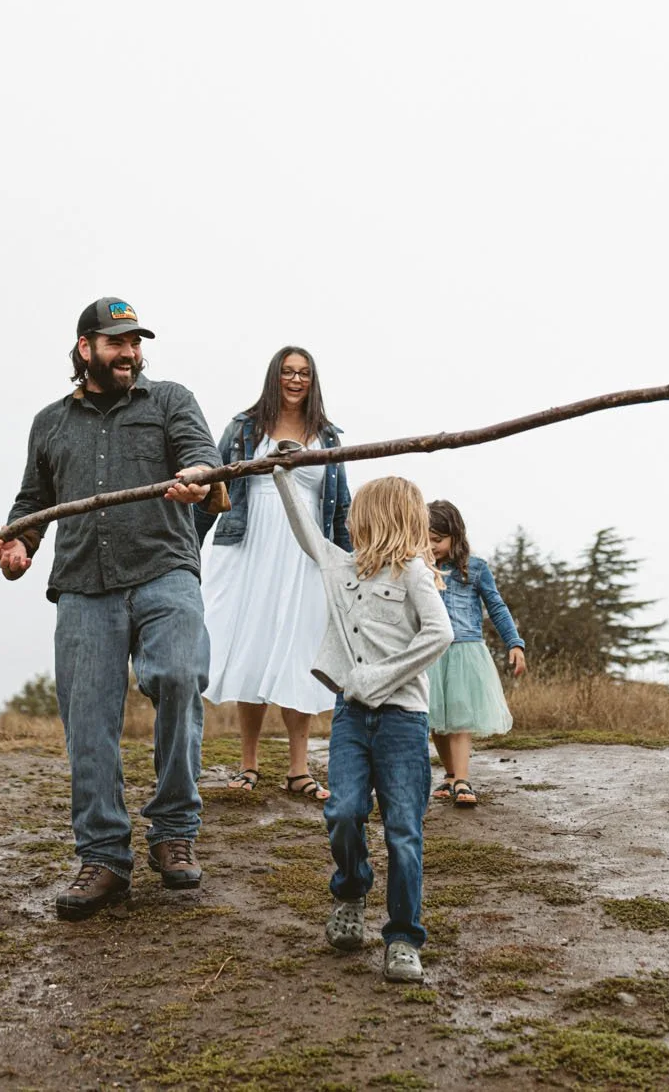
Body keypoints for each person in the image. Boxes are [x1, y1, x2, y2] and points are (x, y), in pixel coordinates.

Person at [0, 297, 227, 921]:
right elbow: (32, 503)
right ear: (84, 348)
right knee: (88, 721)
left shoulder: (170, 399)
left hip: (165, 570)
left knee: (179, 677)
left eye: (135, 343)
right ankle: (103, 856)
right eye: (116, 342)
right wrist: (19, 542)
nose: (129, 353)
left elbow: (202, 456)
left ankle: (174, 831)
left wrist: (199, 478)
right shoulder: (49, 423)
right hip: (83, 585)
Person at [270, 457, 453, 983]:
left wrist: (381, 677)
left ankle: (402, 937)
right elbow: (306, 531)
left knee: (402, 831)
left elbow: (438, 635)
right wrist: (282, 475)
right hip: (351, 718)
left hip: (402, 722)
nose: (348, 520)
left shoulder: (415, 573)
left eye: (357, 513)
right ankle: (351, 892)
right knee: (345, 811)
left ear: (381, 516)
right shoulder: (339, 568)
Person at [197, 346, 353, 801]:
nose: (295, 379)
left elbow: (339, 506)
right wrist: (190, 543)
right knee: (254, 646)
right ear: (274, 376)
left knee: (298, 649)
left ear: (313, 380)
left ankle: (298, 768)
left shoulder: (327, 436)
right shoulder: (245, 429)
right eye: (287, 372)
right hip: (250, 548)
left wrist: (348, 561)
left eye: (304, 373)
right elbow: (212, 487)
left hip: (304, 551)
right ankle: (248, 764)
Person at [425, 500, 526, 809]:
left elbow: (496, 606)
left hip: (465, 652)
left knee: (459, 717)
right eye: (425, 539)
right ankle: (451, 773)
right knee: (436, 719)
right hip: (430, 652)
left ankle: (463, 779)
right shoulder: (419, 567)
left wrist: (514, 643)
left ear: (455, 536)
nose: (432, 546)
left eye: (437, 540)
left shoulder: (476, 568)